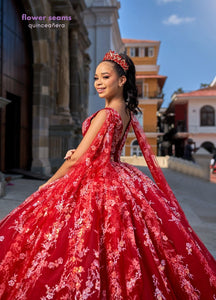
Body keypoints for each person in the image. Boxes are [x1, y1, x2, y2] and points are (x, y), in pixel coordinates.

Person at [0, 50, 216, 300]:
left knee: (67, 242)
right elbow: (102, 149)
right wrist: (84, 151)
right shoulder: (125, 113)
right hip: (119, 175)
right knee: (122, 246)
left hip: (97, 179)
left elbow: (78, 161)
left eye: (105, 77)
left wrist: (47, 184)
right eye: (95, 78)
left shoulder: (106, 114)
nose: (99, 83)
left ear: (122, 80)